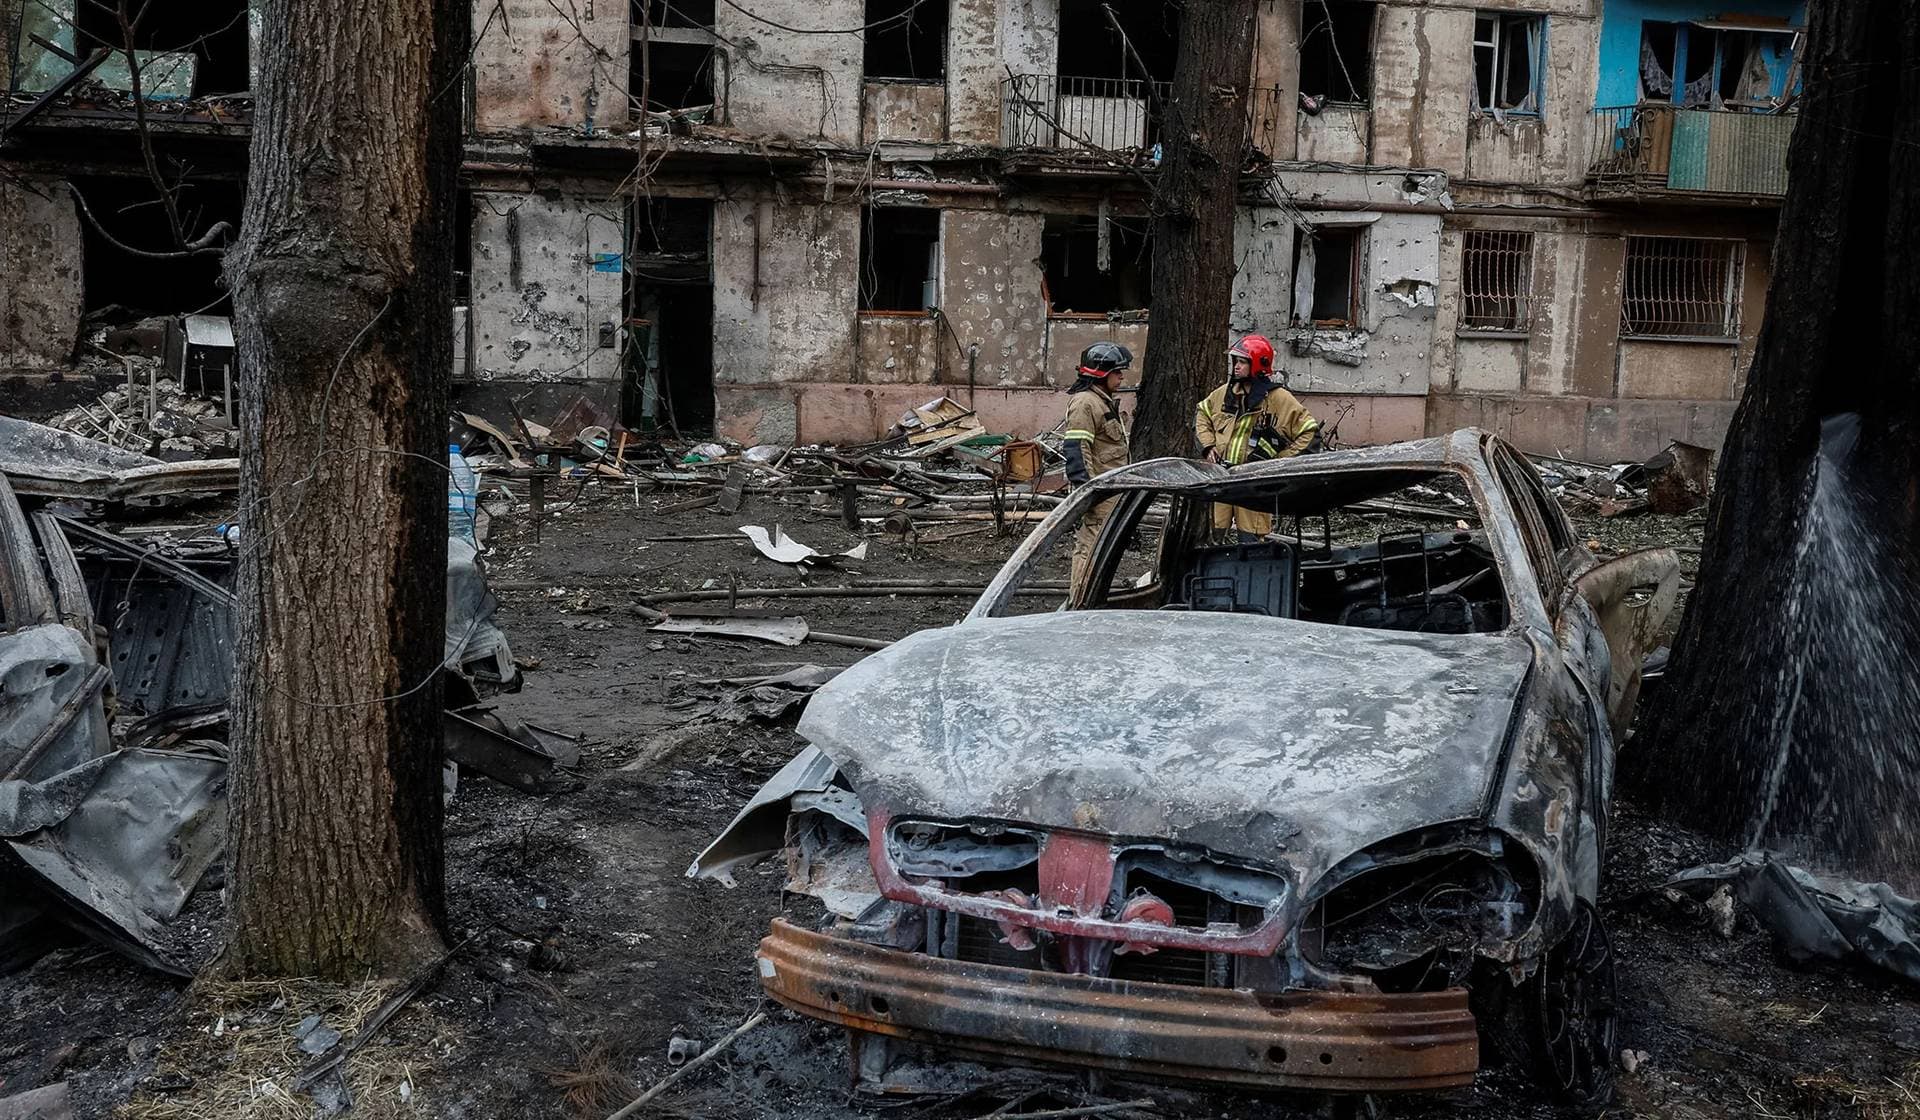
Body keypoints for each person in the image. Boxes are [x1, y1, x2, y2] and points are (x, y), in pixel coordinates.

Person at [1193, 334, 1320, 541]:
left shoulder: (1278, 399)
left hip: (1254, 483)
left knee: (1251, 539)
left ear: (1258, 365)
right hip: (1222, 478)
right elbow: (1202, 414)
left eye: (1242, 362)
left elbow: (1309, 433)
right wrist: (1208, 447)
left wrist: (1279, 463)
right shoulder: (1224, 394)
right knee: (1214, 534)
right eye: (1235, 361)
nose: (1236, 367)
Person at [1062, 341, 1132, 598]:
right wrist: (1088, 491)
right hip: (1100, 494)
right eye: (1117, 371)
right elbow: (1077, 450)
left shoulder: (1102, 402)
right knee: (1090, 548)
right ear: (1102, 373)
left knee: (1102, 551)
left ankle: (1093, 598)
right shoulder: (1085, 403)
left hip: (1111, 492)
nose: (1122, 376)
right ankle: (1080, 601)